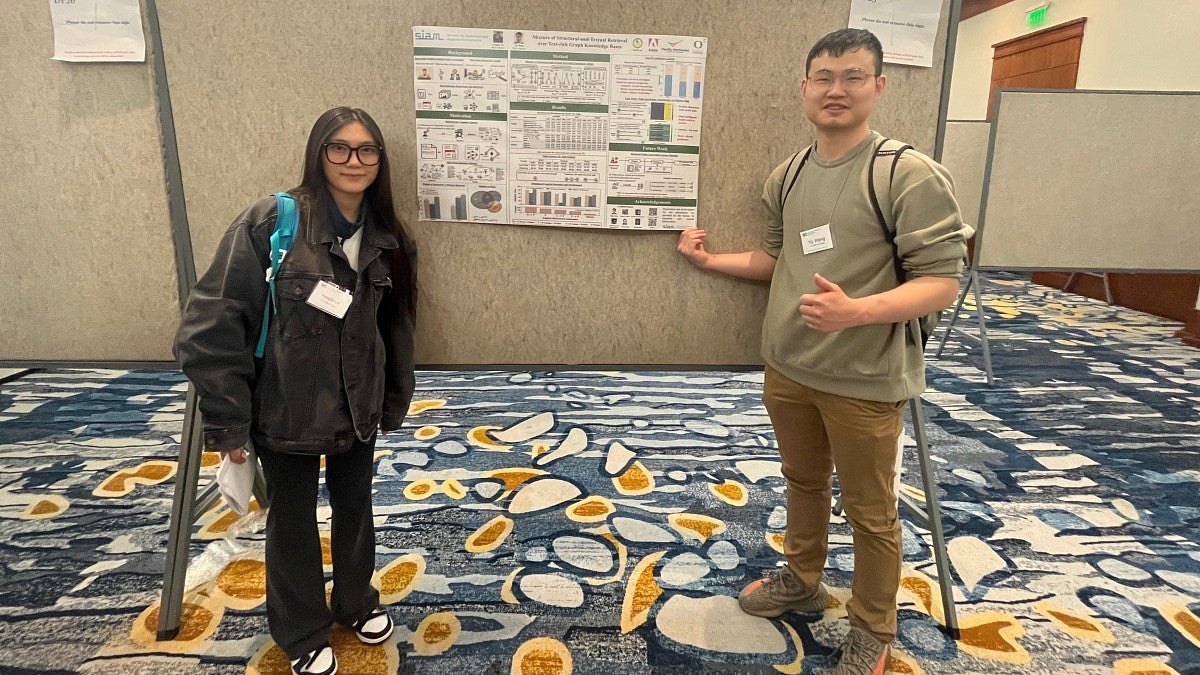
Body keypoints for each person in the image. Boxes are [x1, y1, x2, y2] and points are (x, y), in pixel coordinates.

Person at [676, 29, 968, 675]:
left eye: (853, 76)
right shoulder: (788, 173)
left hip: (864, 375)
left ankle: (873, 626)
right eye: (824, 77)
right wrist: (708, 260)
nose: (837, 89)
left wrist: (856, 311)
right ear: (804, 88)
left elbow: (944, 281)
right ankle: (802, 578)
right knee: (802, 481)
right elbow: (777, 258)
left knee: (870, 509)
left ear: (879, 87)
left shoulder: (905, 172)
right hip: (788, 366)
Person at [174, 107, 417, 675]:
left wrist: (393, 399)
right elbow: (209, 326)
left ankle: (356, 601)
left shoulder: (388, 237)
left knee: (356, 508)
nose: (354, 161)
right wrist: (229, 423)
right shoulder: (272, 222)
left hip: (358, 405)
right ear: (318, 153)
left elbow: (398, 327)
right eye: (339, 148)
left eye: (367, 150)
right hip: (289, 408)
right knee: (294, 519)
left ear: (381, 161)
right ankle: (302, 631)